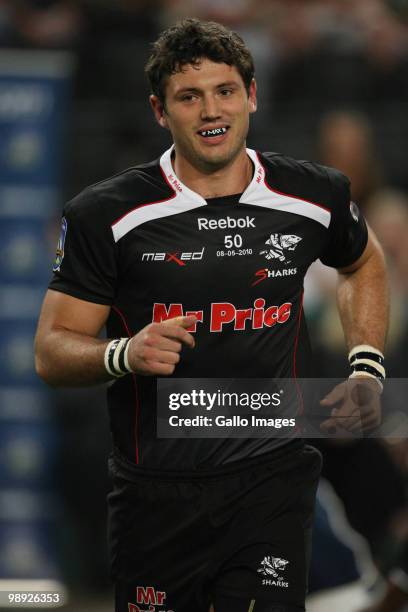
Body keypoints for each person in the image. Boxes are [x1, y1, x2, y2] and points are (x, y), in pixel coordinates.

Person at [34, 18, 388, 612]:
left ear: (252, 95)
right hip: (157, 495)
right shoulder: (107, 214)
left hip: (272, 480)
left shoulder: (313, 193)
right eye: (188, 96)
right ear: (159, 110)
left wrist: (367, 365)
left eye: (225, 91)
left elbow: (363, 263)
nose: (209, 110)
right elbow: (52, 349)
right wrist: (122, 353)